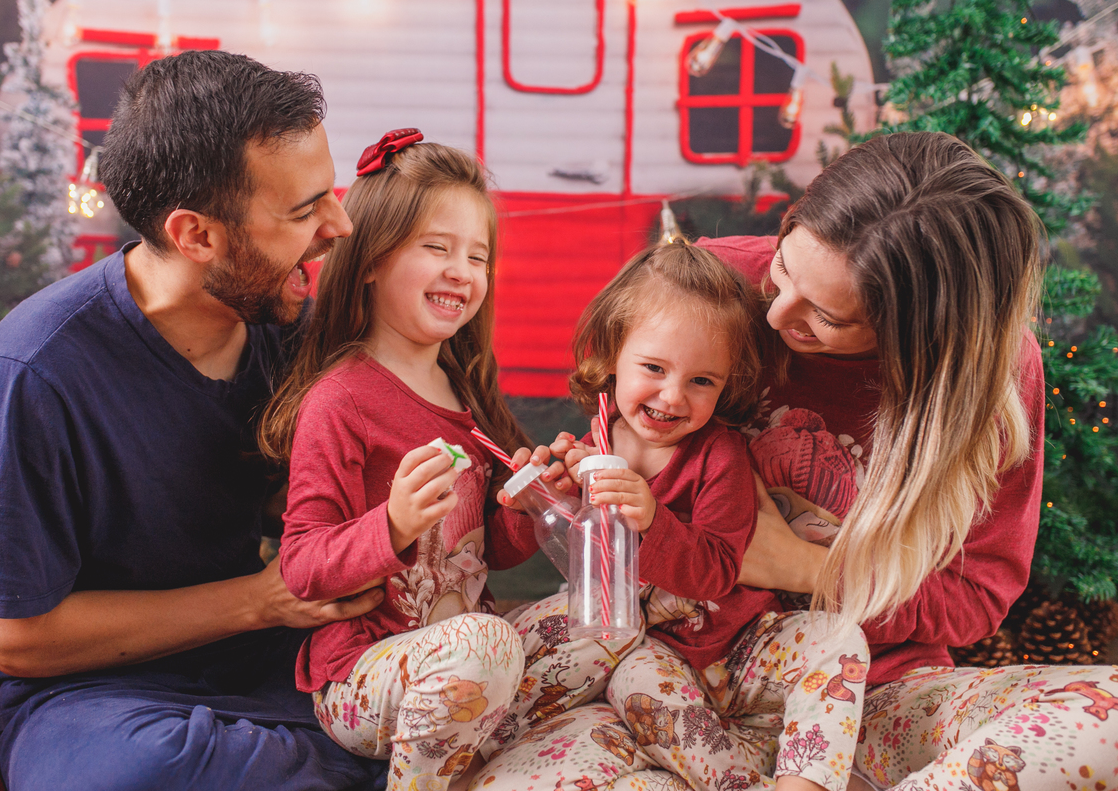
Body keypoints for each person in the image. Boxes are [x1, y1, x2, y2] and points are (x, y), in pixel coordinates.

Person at [475, 132, 1118, 790]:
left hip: (866, 694)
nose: (777, 315)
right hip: (667, 682)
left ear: (915, 336)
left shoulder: (990, 376)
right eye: (783, 267)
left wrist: (804, 567)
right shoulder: (708, 291)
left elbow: (973, 597)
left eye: (828, 316)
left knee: (1108, 719)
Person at [0, 51, 388, 791]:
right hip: (96, 698)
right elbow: (19, 640)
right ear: (196, 235)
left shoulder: (291, 329)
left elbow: (317, 500)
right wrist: (259, 601)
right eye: (303, 210)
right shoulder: (31, 375)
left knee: (433, 700)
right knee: (147, 770)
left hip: (269, 662)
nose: (339, 225)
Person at [257, 131, 635, 791]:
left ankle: (493, 764)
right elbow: (303, 566)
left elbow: (489, 551)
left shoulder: (466, 396)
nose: (462, 270)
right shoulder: (340, 399)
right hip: (365, 675)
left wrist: (531, 505)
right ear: (371, 260)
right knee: (485, 642)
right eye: (437, 248)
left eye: (477, 256)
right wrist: (394, 524)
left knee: (613, 618)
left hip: (474, 664)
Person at [475, 240, 870, 791]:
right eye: (654, 368)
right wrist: (535, 503)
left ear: (727, 383)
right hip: (657, 660)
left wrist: (652, 518)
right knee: (632, 681)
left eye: (701, 381)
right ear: (612, 354)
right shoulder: (590, 450)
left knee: (838, 636)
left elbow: (718, 570)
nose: (672, 396)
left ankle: (807, 780)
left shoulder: (720, 455)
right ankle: (739, 782)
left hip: (745, 645)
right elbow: (517, 554)